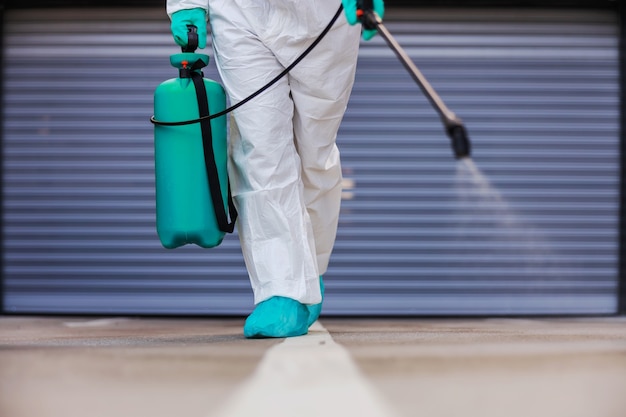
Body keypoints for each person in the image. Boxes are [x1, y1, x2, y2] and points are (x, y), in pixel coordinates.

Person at [166, 0, 384, 338]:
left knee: (315, 152)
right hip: (241, 12)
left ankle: (310, 265)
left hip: (326, 19)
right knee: (260, 150)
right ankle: (282, 289)